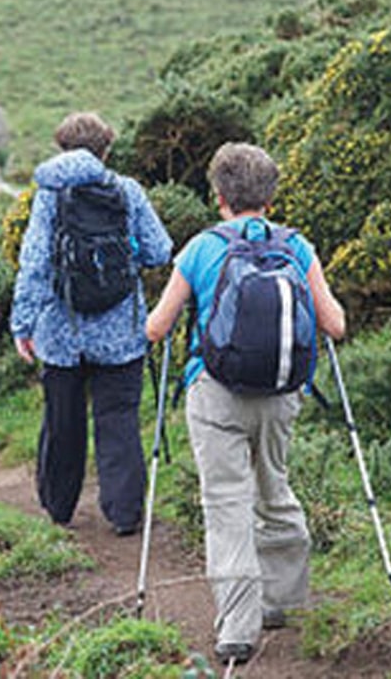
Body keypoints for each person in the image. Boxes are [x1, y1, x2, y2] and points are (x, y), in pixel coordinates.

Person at [145, 142, 346, 667]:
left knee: (227, 502)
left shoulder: (201, 248)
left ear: (219, 198)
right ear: (270, 198)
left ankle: (238, 628)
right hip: (281, 393)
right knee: (274, 488)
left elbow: (158, 326)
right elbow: (335, 325)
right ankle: (283, 604)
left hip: (215, 392)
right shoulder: (297, 246)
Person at [10, 112, 173, 537]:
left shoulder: (47, 196)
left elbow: (35, 264)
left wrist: (22, 323)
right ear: (106, 150)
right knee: (118, 419)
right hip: (121, 333)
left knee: (62, 420)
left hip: (61, 335)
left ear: (62, 148)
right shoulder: (127, 190)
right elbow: (160, 251)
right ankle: (124, 514)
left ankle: (59, 509)